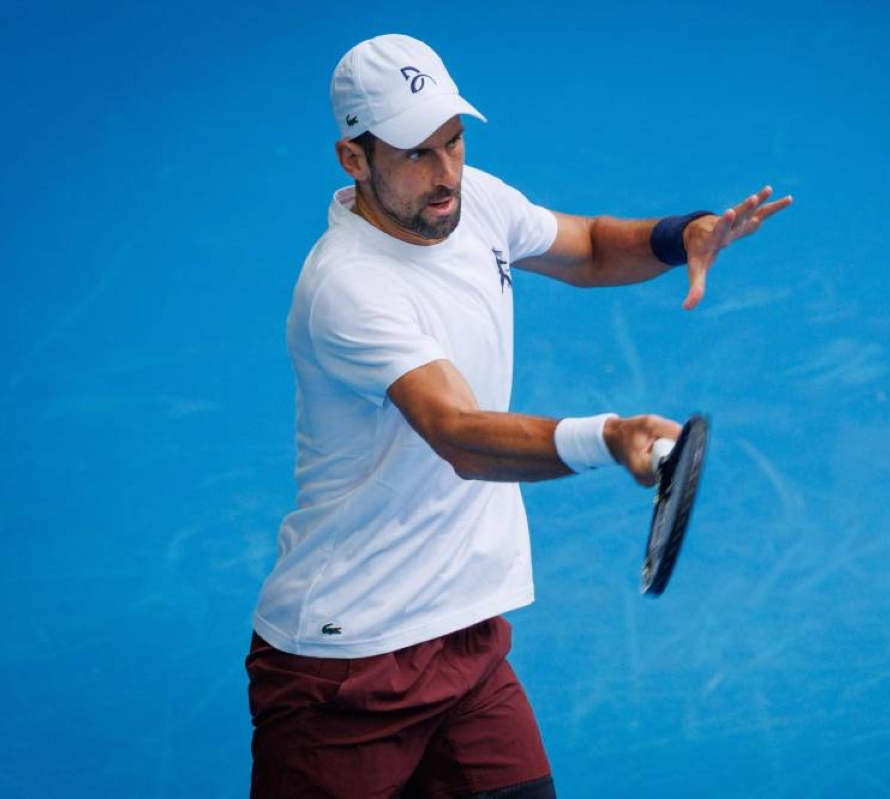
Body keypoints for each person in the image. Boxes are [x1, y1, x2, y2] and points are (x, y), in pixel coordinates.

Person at [246, 33, 791, 798]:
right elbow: (459, 435)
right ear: (353, 160)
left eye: (454, 142)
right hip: (348, 665)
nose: (446, 175)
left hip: (466, 640)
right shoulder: (350, 287)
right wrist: (610, 436)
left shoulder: (474, 205)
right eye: (415, 153)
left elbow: (595, 248)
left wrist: (682, 234)